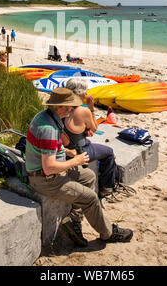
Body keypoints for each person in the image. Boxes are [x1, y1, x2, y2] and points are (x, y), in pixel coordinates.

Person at [25, 87, 133, 247]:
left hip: (49, 171)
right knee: (90, 198)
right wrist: (76, 161)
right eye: (71, 106)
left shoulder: (47, 117)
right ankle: (108, 233)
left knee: (89, 176)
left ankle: (73, 220)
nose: (73, 109)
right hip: (44, 179)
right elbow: (49, 168)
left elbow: (51, 148)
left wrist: (68, 152)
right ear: (62, 107)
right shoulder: (48, 129)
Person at [64, 78, 118, 200]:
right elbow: (94, 129)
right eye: (85, 92)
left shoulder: (60, 107)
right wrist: (91, 108)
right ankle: (106, 188)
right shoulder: (83, 111)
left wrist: (83, 129)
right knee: (109, 153)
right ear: (80, 93)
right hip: (80, 150)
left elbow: (70, 127)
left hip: (64, 148)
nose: (86, 94)